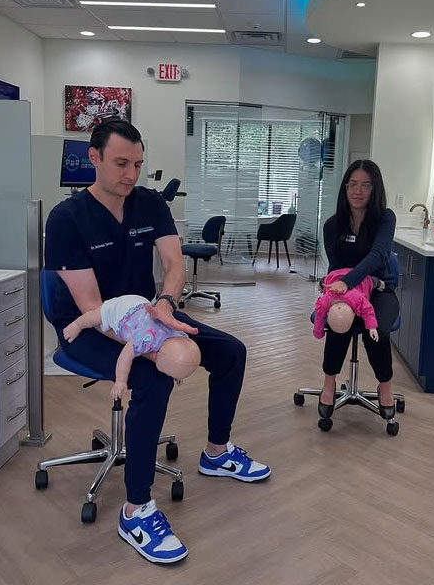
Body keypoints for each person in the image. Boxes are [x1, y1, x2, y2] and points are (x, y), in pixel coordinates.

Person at [44, 118, 270, 566]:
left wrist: (165, 304)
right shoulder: (67, 218)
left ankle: (216, 452)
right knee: (153, 378)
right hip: (90, 327)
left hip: (149, 313)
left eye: (138, 164)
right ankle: (135, 511)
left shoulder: (148, 203)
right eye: (121, 164)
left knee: (230, 352)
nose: (131, 174)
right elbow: (94, 308)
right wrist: (158, 350)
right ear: (94, 158)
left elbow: (173, 264)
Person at [318, 159, 399, 421]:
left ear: (375, 189)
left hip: (379, 290)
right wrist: (339, 287)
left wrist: (350, 281)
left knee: (378, 332)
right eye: (352, 184)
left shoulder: (385, 218)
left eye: (366, 185)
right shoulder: (332, 225)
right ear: (345, 187)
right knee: (339, 320)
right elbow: (336, 267)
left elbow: (378, 256)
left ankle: (385, 385)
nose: (358, 191)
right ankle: (329, 382)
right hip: (346, 293)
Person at [62, 294, 202, 400]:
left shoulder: (178, 334)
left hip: (141, 303)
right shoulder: (144, 339)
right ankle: (77, 324)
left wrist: (176, 371)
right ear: (157, 356)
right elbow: (125, 357)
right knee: (95, 317)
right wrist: (120, 381)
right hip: (121, 310)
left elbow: (179, 356)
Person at [313, 268, 380, 341]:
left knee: (372, 282)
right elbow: (319, 317)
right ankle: (322, 283)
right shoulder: (324, 301)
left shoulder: (357, 298)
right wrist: (318, 333)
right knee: (326, 282)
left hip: (360, 279)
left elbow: (368, 310)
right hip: (335, 275)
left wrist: (372, 327)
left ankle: (379, 283)